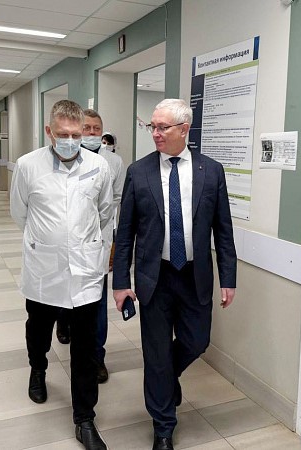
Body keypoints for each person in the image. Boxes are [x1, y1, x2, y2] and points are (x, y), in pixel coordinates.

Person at [112, 99, 237, 450]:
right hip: (155, 276)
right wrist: (120, 283)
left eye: (162, 127)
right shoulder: (139, 171)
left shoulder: (211, 171)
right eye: (152, 126)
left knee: (197, 341)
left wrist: (228, 278)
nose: (155, 133)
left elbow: (223, 230)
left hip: (195, 275)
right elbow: (126, 233)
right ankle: (163, 427)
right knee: (155, 353)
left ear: (184, 129)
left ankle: (167, 378)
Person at [10, 100, 112, 450]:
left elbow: (104, 212)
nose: (69, 141)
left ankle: (84, 418)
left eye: (75, 134)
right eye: (62, 134)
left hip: (85, 271)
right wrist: (48, 241)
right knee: (38, 330)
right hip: (44, 270)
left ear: (83, 131)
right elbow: (19, 213)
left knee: (85, 348)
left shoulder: (98, 166)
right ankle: (37, 368)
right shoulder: (28, 165)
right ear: (49, 132)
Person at [56, 109, 125, 384]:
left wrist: (107, 238)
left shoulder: (114, 162)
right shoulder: (64, 157)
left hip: (99, 239)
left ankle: (97, 356)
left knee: (97, 300)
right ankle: (63, 320)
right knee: (67, 288)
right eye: (87, 128)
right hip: (65, 241)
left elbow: (115, 201)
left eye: (97, 128)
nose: (92, 133)